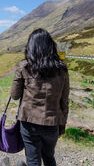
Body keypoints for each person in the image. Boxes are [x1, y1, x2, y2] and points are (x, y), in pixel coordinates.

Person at [10, 28, 70, 166]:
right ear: (50, 47)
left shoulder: (24, 67)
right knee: (49, 158)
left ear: (30, 47)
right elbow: (64, 101)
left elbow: (14, 95)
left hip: (28, 122)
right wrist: (62, 126)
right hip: (52, 123)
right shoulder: (62, 70)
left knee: (33, 160)